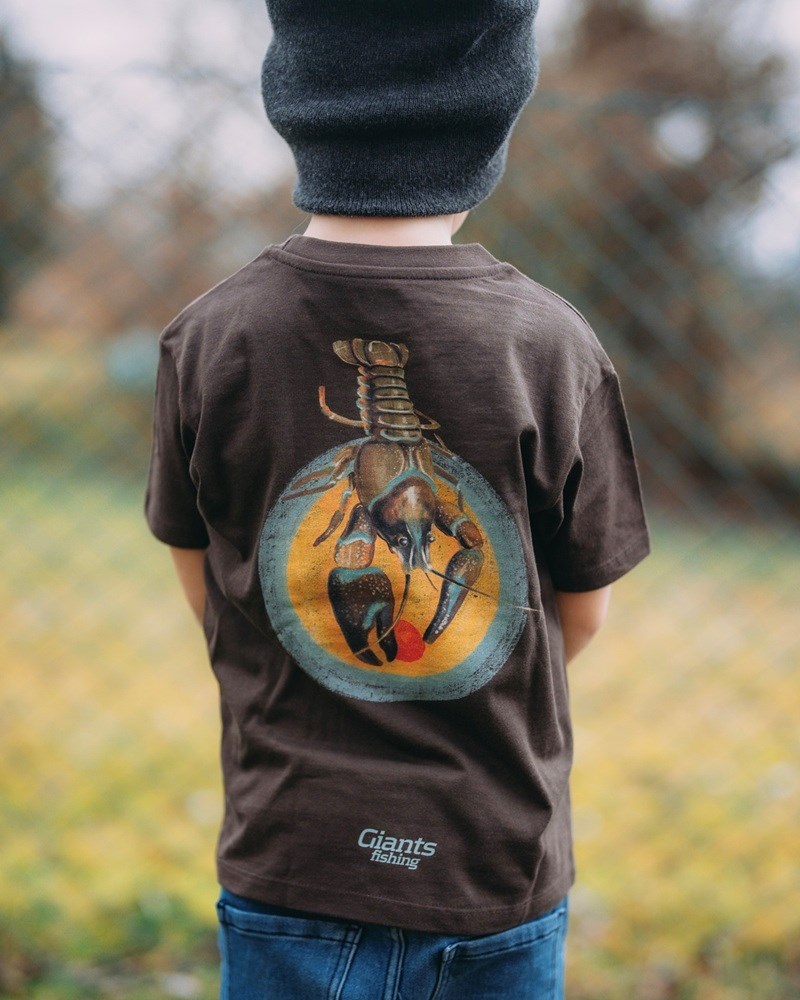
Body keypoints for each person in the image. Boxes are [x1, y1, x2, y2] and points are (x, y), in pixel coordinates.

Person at [144, 1, 651, 997]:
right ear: (494, 115)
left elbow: (210, 590)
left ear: (296, 97)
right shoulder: (553, 346)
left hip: (291, 854)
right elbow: (576, 616)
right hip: (492, 864)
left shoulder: (208, 336)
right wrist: (454, 643)